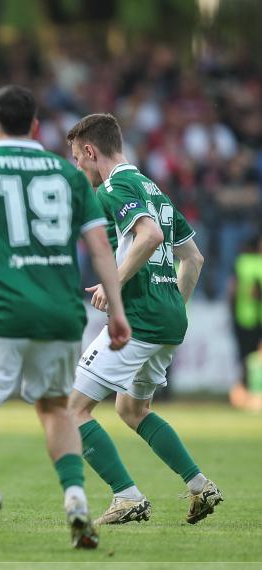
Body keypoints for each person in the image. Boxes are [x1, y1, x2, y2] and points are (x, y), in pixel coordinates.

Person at [0, 85, 131, 550]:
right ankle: (76, 501)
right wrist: (117, 311)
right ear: (36, 126)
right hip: (60, 314)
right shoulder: (68, 174)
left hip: (0, 311)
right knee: (56, 409)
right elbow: (99, 246)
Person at [65, 113, 222, 526]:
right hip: (168, 318)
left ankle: (127, 496)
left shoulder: (116, 186)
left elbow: (150, 236)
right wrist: (172, 306)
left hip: (138, 318)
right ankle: (200, 485)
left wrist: (112, 284)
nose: (79, 168)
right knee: (132, 408)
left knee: (72, 411)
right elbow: (194, 258)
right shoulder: (155, 190)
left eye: (77, 159)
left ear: (90, 151)